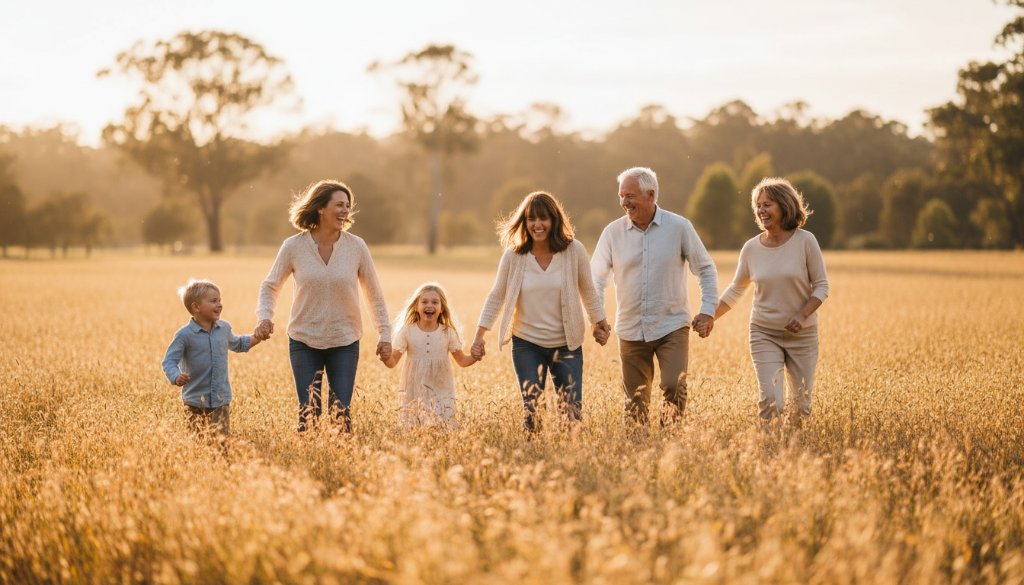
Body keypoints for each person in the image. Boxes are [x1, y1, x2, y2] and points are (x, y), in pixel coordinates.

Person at [255, 179, 391, 433]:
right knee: (309, 412)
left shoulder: (356, 247)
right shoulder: (293, 246)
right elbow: (270, 286)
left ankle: (342, 463)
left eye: (347, 206)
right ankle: (309, 463)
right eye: (339, 205)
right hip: (304, 339)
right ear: (320, 208)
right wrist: (265, 317)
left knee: (341, 412)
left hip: (345, 339)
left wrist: (385, 334)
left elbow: (374, 294)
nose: (345, 211)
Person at [472, 191, 609, 431]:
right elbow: (497, 295)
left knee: (572, 414)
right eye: (531, 219)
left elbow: (588, 290)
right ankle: (533, 457)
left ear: (554, 220)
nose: (537, 225)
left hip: (567, 343)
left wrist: (599, 322)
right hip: (527, 344)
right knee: (532, 411)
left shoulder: (573, 251)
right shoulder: (513, 256)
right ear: (525, 223)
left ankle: (569, 459)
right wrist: (480, 335)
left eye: (543, 218)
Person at [591, 167, 718, 425]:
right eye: (621, 196)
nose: (623, 202)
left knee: (673, 385)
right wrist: (597, 318)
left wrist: (707, 309)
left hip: (671, 325)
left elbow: (705, 268)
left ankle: (669, 442)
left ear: (650, 195)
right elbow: (596, 279)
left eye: (630, 196)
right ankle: (639, 452)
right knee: (635, 402)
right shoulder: (612, 233)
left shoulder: (680, 227)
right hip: (630, 329)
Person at [713, 177, 829, 424]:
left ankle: (794, 455)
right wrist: (708, 316)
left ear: (785, 206)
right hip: (764, 332)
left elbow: (821, 286)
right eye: (758, 205)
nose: (761, 210)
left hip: (803, 336)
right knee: (771, 401)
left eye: (767, 204)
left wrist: (802, 314)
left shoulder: (805, 241)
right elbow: (736, 290)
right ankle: (768, 453)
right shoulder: (751, 248)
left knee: (801, 407)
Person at [162, 278, 261, 439]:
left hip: (221, 400)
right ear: (196, 307)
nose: (219, 304)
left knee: (221, 442)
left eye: (220, 300)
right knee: (198, 443)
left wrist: (259, 337)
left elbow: (239, 344)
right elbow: (169, 361)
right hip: (194, 401)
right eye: (214, 301)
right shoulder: (184, 335)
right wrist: (176, 376)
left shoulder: (224, 329)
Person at [380, 282, 478, 428]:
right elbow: (393, 362)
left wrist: (475, 356)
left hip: (441, 389)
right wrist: (385, 356)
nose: (429, 305)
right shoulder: (407, 331)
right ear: (416, 307)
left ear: (442, 307)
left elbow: (462, 361)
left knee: (442, 426)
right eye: (424, 302)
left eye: (435, 302)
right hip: (414, 391)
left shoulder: (447, 332)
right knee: (413, 427)